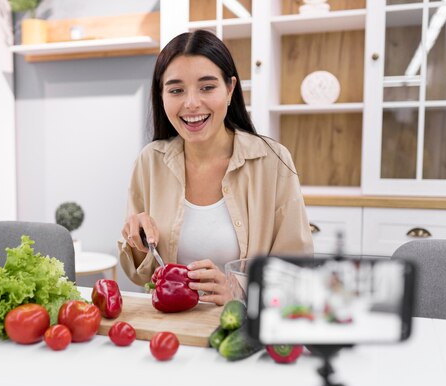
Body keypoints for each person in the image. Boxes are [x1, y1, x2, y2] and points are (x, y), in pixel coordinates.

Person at [118, 30, 313, 306]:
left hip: (240, 328)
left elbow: (296, 271)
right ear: (162, 96)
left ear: (230, 88)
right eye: (176, 90)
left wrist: (239, 292)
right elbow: (141, 276)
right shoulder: (150, 161)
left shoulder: (272, 161)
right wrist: (137, 240)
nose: (191, 103)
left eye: (207, 87)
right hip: (171, 330)